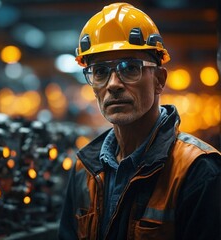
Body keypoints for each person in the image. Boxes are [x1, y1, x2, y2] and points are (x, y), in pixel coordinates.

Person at [58, 2, 221, 240]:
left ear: (159, 80)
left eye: (130, 68)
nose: (112, 84)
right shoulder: (85, 169)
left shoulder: (198, 172)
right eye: (100, 72)